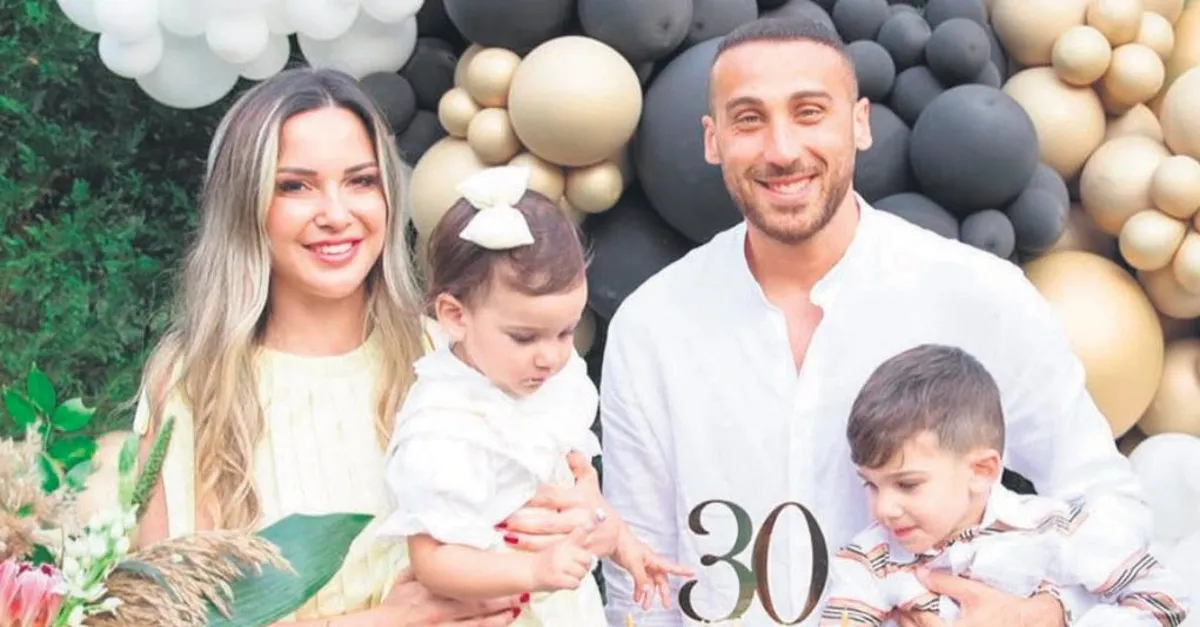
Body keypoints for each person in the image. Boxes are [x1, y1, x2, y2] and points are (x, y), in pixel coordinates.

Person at [597, 16, 1153, 627]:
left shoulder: (979, 296)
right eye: (749, 119)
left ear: (860, 124)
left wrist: (1043, 615)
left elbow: (1103, 498)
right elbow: (637, 586)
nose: (782, 149)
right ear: (713, 139)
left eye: (810, 112)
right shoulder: (651, 326)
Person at [131, 68, 613, 627]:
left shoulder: (456, 354)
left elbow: (569, 543)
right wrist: (388, 620)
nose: (337, 215)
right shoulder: (197, 382)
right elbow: (168, 620)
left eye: (361, 181)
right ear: (246, 205)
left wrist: (587, 516)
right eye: (295, 186)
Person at [375, 165, 692, 626]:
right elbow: (432, 561)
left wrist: (627, 546)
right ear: (455, 316)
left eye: (565, 332)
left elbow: (571, 490)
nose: (551, 357)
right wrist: (533, 570)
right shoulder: (446, 423)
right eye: (525, 337)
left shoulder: (549, 390)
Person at [818, 344, 1188, 626]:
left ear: (981, 471)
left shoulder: (1055, 531)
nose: (883, 508)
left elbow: (1166, 601)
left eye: (907, 484)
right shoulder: (871, 560)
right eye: (871, 485)